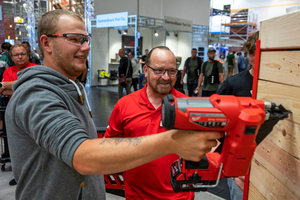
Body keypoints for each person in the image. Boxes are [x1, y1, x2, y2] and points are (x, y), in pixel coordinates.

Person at [5, 10, 223, 200]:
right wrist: (172, 141)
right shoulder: (37, 93)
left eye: (86, 39)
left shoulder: (71, 88)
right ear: (46, 43)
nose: (87, 47)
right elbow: (82, 156)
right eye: (75, 39)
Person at [105, 46, 222, 199]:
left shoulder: (189, 106)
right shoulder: (125, 105)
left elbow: (211, 148)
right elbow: (109, 147)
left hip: (180, 197)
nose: (166, 77)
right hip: (137, 196)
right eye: (159, 70)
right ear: (146, 71)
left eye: (172, 71)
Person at [217, 31, 259, 200]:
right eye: (254, 53)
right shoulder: (233, 84)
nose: (257, 58)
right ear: (249, 55)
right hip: (240, 169)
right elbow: (217, 123)